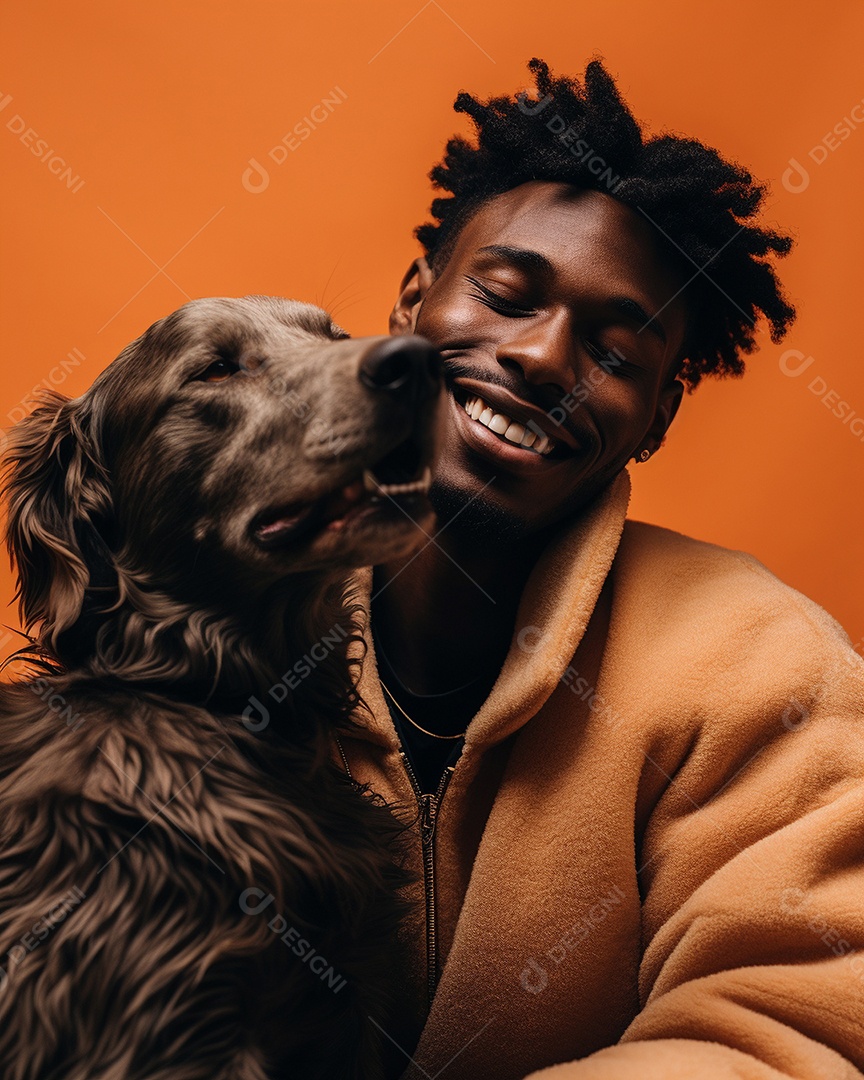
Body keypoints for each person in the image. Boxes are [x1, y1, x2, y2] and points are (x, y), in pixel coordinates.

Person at [332, 58, 864, 1079]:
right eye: (505, 295)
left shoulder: (763, 669)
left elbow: (791, 1031)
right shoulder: (219, 604)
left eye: (617, 355)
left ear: (657, 417)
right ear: (414, 301)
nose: (542, 360)